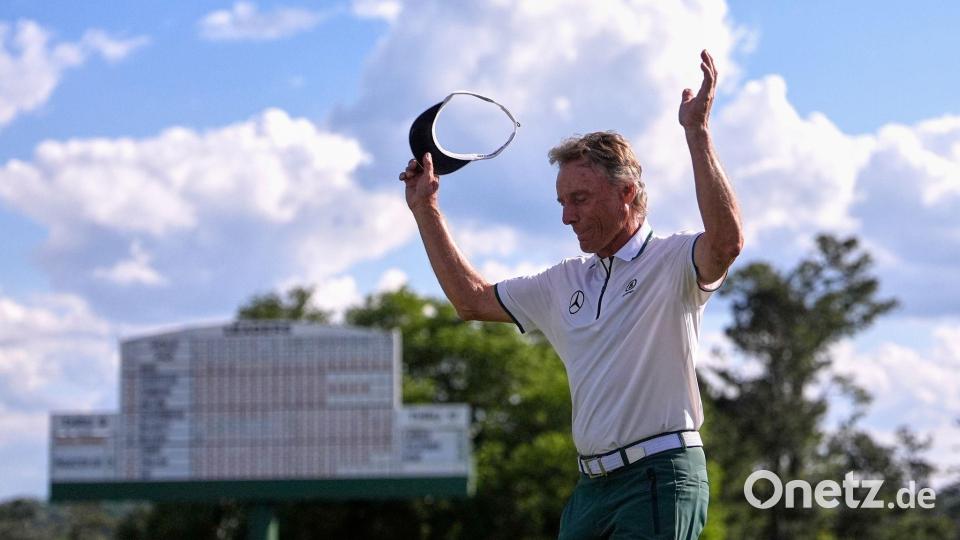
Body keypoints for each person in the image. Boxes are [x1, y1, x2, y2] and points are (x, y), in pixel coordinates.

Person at [399, 50, 742, 539]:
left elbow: (727, 244)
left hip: (661, 475)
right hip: (590, 490)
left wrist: (698, 134)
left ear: (627, 193)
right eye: (562, 202)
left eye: (579, 199)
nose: (566, 216)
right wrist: (425, 208)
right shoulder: (564, 281)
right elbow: (469, 299)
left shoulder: (674, 261)